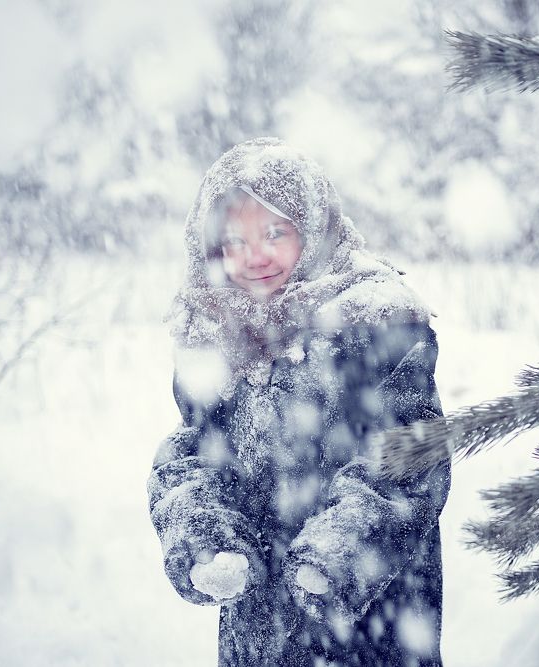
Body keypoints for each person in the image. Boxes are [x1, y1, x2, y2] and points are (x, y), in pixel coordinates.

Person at [147, 137, 450, 666]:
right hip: (261, 624)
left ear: (311, 230)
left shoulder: (376, 322)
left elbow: (411, 454)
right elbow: (195, 454)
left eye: (274, 232)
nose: (255, 256)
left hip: (374, 617)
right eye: (234, 240)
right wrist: (207, 540)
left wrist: (338, 553)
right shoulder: (217, 332)